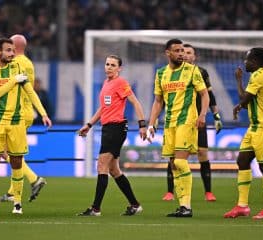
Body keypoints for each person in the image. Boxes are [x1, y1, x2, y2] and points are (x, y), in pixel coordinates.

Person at [0, 37, 51, 214]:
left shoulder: (18, 66)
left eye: (13, 50)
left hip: (17, 121)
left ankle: (17, 204)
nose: (13, 54)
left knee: (17, 161)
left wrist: (43, 113)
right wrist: (13, 81)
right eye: (8, 50)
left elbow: (30, 91)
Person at [77, 55, 147, 216]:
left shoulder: (120, 83)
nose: (108, 67)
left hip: (116, 128)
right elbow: (103, 108)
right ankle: (135, 205)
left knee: (101, 165)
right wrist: (89, 125)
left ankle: (95, 208)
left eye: (113, 65)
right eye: (107, 64)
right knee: (114, 170)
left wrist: (142, 124)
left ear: (119, 68)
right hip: (107, 128)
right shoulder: (106, 83)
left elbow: (135, 102)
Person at [147, 39, 210, 217]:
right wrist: (151, 123)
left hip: (187, 121)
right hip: (169, 124)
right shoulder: (160, 74)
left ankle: (187, 206)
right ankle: (183, 206)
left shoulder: (192, 70)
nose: (181, 53)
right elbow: (158, 102)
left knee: (181, 162)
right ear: (168, 53)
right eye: (177, 51)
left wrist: (203, 114)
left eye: (183, 50)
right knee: (174, 164)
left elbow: (204, 95)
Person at [224, 47, 263, 220]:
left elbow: (244, 100)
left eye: (247, 59)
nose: (245, 62)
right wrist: (240, 82)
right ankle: (242, 206)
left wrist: (239, 83)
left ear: (257, 62)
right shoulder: (259, 76)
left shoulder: (259, 75)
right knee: (242, 160)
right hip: (255, 127)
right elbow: (247, 103)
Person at [162, 43, 222, 202]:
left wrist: (216, 116)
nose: (186, 55)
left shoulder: (200, 72)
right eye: (183, 51)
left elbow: (209, 95)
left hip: (197, 120)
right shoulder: (171, 73)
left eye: (189, 52)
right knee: (176, 157)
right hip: (179, 120)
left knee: (202, 153)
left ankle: (208, 191)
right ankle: (171, 191)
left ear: (194, 56)